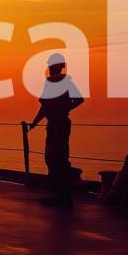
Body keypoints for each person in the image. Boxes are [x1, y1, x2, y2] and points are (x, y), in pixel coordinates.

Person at [27, 53, 84, 207]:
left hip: (57, 125)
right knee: (57, 158)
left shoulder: (56, 82)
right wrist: (35, 122)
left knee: (55, 158)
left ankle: (61, 195)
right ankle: (61, 193)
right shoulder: (61, 82)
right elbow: (47, 106)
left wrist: (62, 109)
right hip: (59, 123)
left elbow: (47, 106)